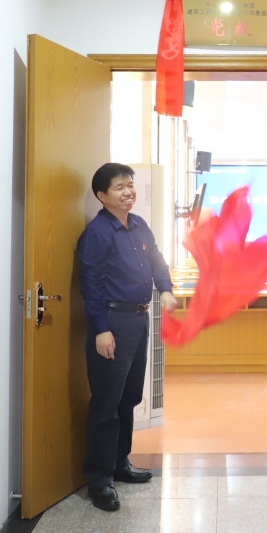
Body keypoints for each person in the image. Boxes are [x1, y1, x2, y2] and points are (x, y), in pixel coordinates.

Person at [77, 163, 177, 512]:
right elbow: (90, 285)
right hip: (112, 321)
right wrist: (101, 328)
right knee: (107, 401)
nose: (128, 192)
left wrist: (165, 289)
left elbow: (157, 261)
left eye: (130, 185)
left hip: (138, 319)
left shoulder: (138, 225)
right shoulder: (97, 233)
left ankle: (120, 462)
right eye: (119, 187)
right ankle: (99, 479)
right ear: (102, 195)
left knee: (129, 396)